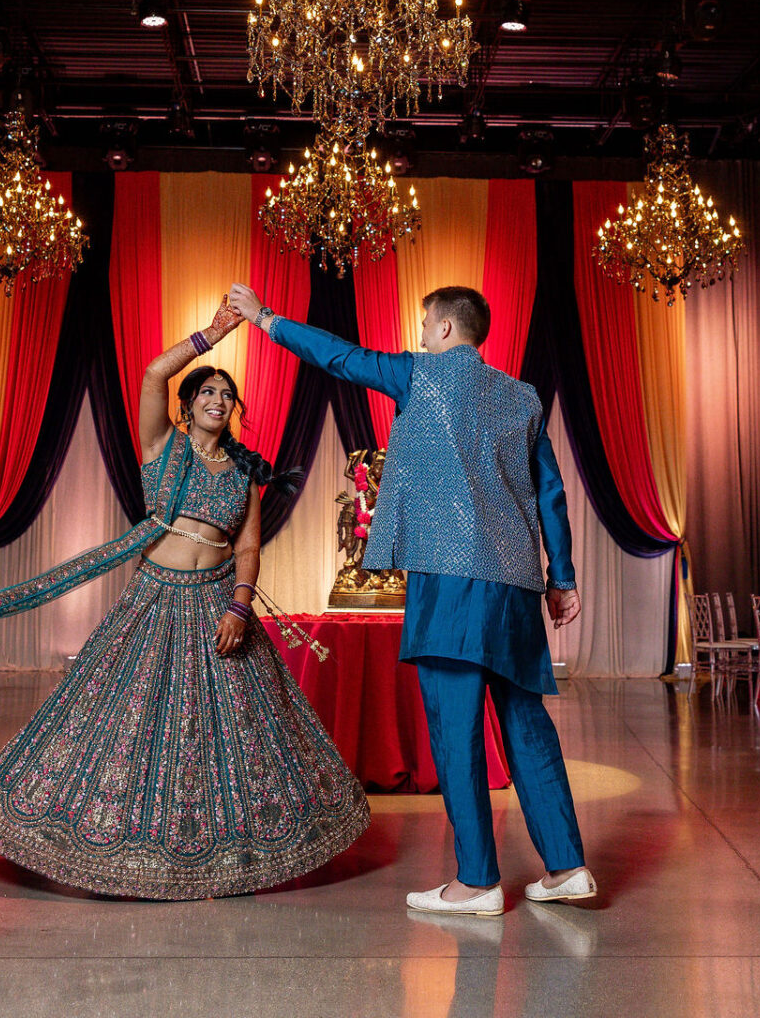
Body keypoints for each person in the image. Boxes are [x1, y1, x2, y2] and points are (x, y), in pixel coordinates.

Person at [0, 303, 369, 899]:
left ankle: (225, 852)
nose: (218, 400)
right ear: (188, 406)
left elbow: (248, 547)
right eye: (207, 392)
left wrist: (239, 606)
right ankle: (101, 839)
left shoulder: (244, 474)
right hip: (153, 598)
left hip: (217, 605)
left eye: (227, 395)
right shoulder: (163, 448)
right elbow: (154, 373)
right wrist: (214, 334)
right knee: (118, 718)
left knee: (232, 732)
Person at [226, 281, 593, 917]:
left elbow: (339, 356)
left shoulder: (419, 376)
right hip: (515, 586)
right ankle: (567, 868)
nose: (421, 335)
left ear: (445, 328)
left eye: (425, 325)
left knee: (456, 730)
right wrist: (562, 578)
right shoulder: (523, 396)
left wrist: (265, 318)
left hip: (449, 581)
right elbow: (551, 493)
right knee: (526, 723)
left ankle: (477, 881)